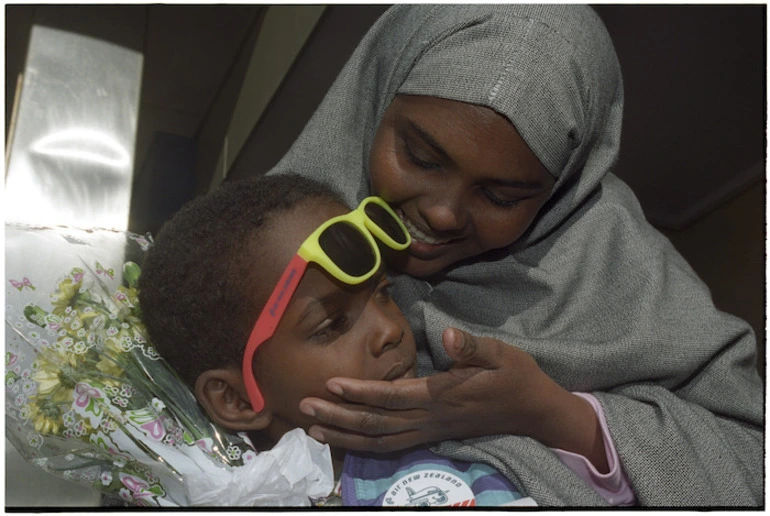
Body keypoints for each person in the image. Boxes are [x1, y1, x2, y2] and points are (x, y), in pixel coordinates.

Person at [259, 4, 765, 506]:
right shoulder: (267, 246)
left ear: (559, 191)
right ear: (377, 99)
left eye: (502, 198)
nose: (442, 214)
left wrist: (548, 412)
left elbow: (750, 463)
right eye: (421, 157)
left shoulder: (628, 275)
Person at [137, 174, 537, 507]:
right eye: (330, 325)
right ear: (237, 399)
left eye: (383, 293)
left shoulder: (468, 459)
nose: (390, 330)